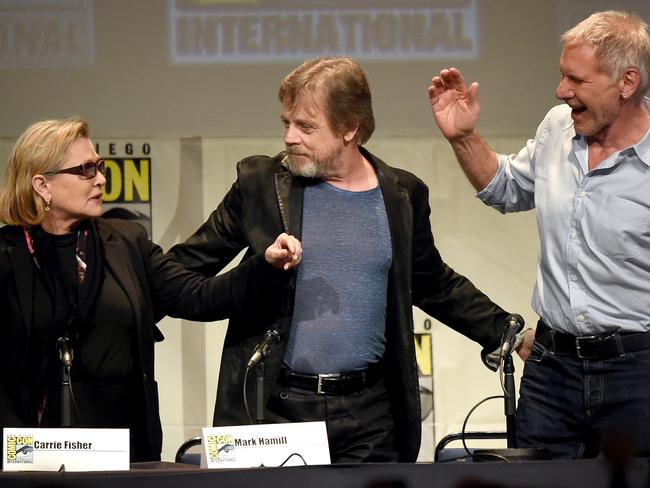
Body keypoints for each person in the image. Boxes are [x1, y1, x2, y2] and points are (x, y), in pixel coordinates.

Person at [170, 56, 514, 463]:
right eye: (286, 123)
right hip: (275, 412)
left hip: (370, 419)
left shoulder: (402, 195)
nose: (290, 138)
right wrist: (258, 272)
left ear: (350, 127)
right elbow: (178, 277)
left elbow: (430, 280)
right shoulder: (260, 187)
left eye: (306, 126)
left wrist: (503, 331)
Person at [0, 118, 301, 462]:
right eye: (85, 170)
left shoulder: (127, 241)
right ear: (42, 184)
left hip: (124, 441)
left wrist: (266, 265)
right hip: (33, 445)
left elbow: (200, 296)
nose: (100, 178)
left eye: (99, 166)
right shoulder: (8, 257)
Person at [429, 10, 650, 459]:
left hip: (637, 373)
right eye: (561, 76)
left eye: (576, 80)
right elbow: (505, 187)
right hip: (553, 370)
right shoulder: (557, 127)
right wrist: (463, 138)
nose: (561, 91)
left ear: (627, 82)